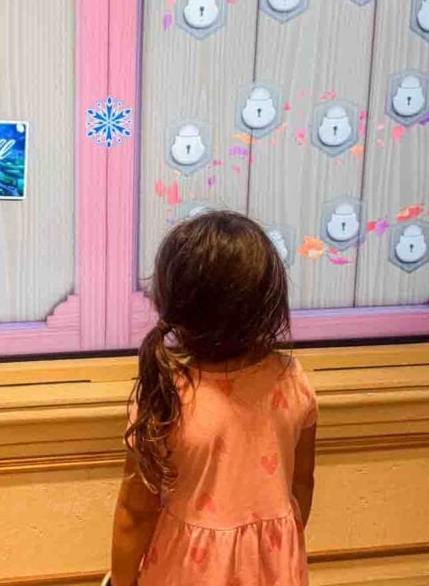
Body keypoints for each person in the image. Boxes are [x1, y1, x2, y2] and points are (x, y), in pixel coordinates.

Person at [107, 210, 318, 586]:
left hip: (187, 568)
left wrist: (122, 582)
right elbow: (301, 485)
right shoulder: (293, 379)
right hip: (272, 567)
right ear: (267, 302)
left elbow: (135, 513)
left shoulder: (166, 393)